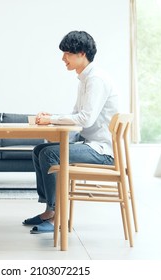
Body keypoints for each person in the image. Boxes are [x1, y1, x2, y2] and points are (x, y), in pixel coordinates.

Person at [24, 31, 119, 234]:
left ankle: (57, 216)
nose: (63, 58)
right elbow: (77, 114)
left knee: (49, 154)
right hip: (90, 143)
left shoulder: (96, 80)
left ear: (81, 53)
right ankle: (50, 210)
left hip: (103, 151)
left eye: (67, 53)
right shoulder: (85, 79)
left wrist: (52, 120)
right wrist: (54, 116)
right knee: (39, 149)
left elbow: (85, 119)